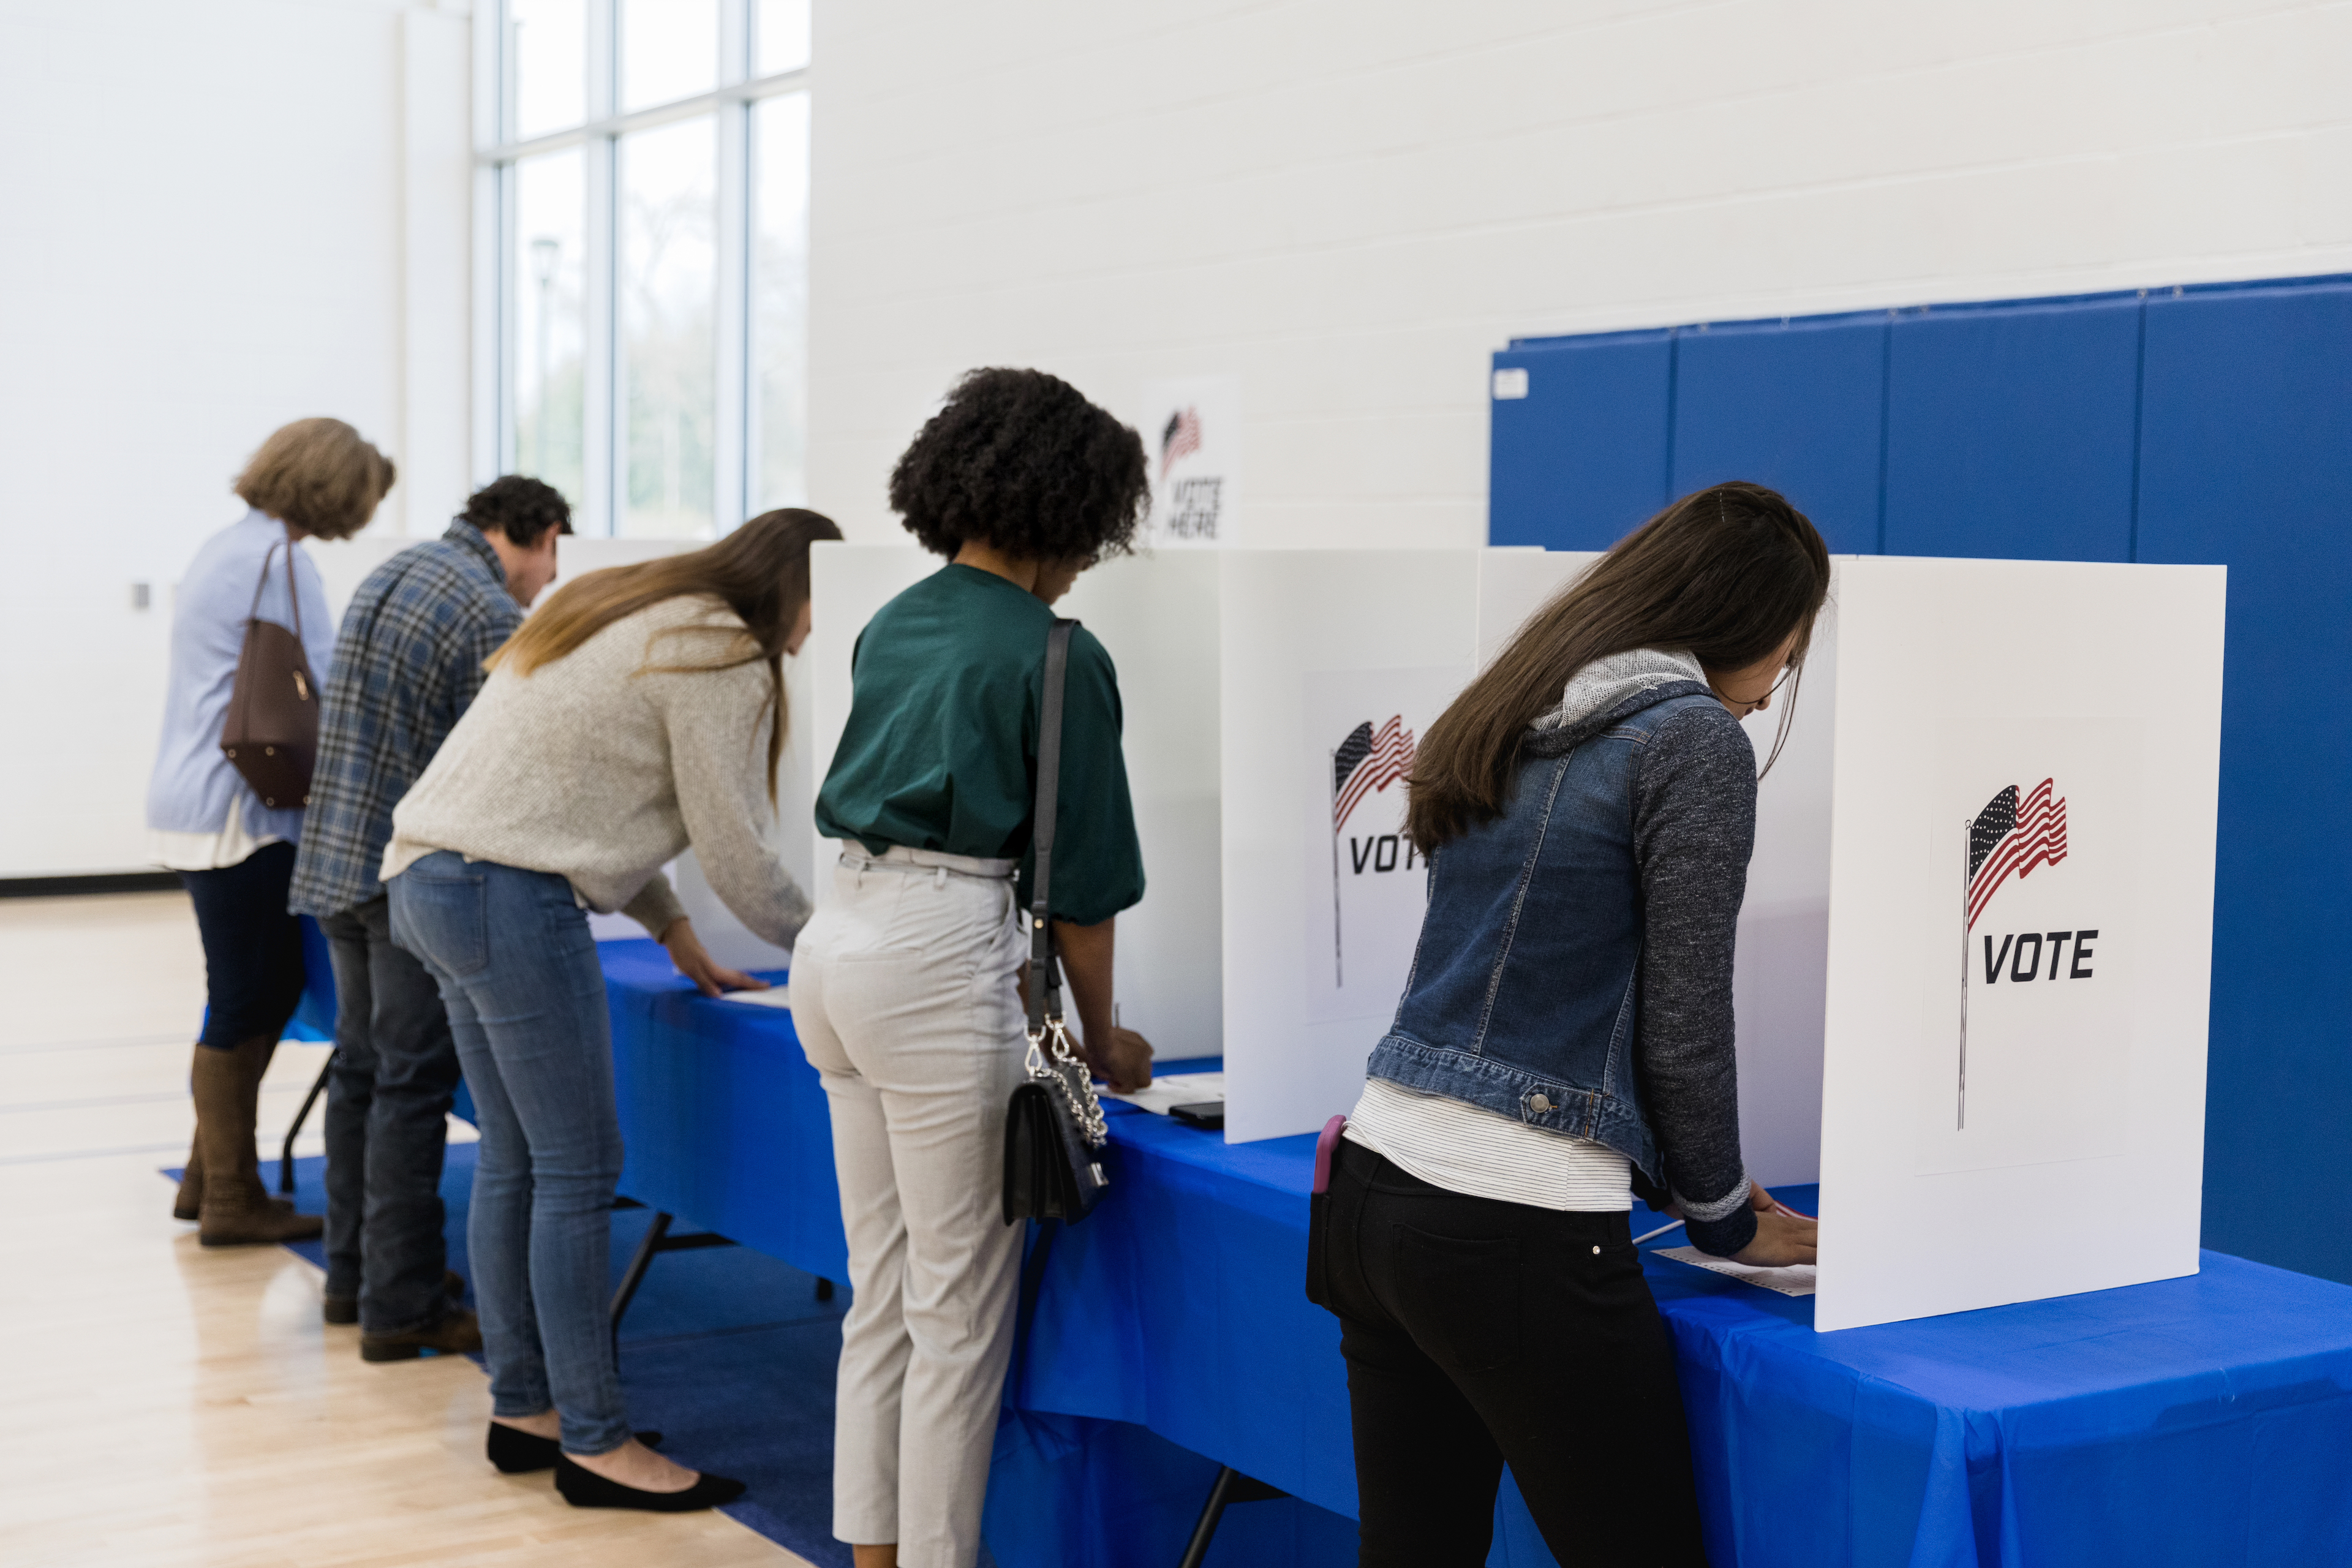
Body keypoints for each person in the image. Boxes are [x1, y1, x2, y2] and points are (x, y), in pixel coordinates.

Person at [1310, 481, 1829, 1567]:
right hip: (1513, 1225)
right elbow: (1686, 1018)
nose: (1780, 685)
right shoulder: (1689, 741)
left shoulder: (1514, 704)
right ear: (1740, 618)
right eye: (1790, 649)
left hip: (1371, 1190)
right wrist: (1725, 1217)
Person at [382, 507, 839, 1510]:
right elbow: (733, 849)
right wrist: (839, 945)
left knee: (517, 1159)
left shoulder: (631, 605)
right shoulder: (722, 649)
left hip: (431, 879)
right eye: (824, 606)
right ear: (796, 587)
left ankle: (528, 1409)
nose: (818, 634)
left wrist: (675, 932)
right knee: (582, 1171)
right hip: (507, 895)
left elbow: (582, 790)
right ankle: (595, 1441)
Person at [791, 367, 1157, 1568]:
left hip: (835, 940)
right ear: (1072, 506)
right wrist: (1106, 1042)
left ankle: (874, 1552)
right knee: (958, 1312)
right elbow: (1087, 896)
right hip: (939, 953)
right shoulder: (1059, 655)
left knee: (883, 1289)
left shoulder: (893, 618)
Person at [288, 476, 573, 1362]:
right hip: (405, 873)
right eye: (555, 552)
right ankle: (401, 1308)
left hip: (335, 855)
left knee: (362, 1074)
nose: (552, 578)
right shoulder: (487, 613)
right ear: (528, 533)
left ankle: (352, 1278)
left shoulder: (394, 569)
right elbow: (495, 776)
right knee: (411, 1087)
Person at [151, 417, 394, 1247]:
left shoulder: (228, 546)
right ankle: (228, 1199)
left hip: (197, 800)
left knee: (261, 988)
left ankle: (208, 1179)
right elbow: (332, 682)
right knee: (246, 995)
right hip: (241, 814)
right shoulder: (281, 560)